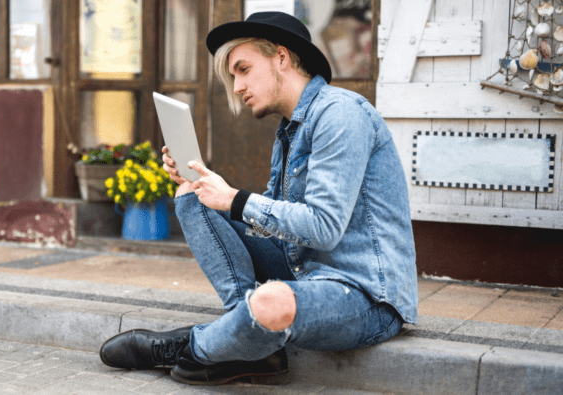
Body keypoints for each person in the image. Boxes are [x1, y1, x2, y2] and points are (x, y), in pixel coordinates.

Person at [99, 11, 418, 385]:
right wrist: (207, 187)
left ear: (281, 57)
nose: (236, 86)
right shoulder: (288, 132)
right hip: (306, 271)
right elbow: (273, 229)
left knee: (272, 302)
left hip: (365, 298)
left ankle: (192, 345)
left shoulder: (341, 114)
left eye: (243, 69)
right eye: (234, 76)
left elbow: (324, 227)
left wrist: (233, 199)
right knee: (191, 194)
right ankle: (253, 340)